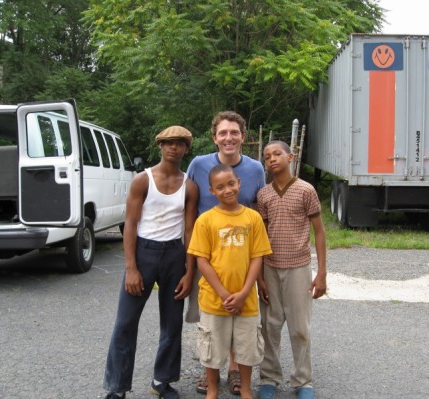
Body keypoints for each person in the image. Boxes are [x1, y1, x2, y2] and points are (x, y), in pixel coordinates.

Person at [102, 126, 198, 399]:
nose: (173, 148)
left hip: (174, 256)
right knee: (125, 323)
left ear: (186, 148)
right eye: (168, 143)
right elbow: (130, 225)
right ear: (160, 146)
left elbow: (189, 230)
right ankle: (116, 387)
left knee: (172, 323)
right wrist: (131, 268)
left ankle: (162, 381)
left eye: (179, 144)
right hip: (144, 254)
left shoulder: (189, 186)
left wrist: (189, 272)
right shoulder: (142, 181)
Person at [186, 110, 265, 395]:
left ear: (243, 137)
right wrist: (189, 263)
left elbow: (259, 211)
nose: (228, 137)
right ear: (214, 137)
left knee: (242, 324)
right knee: (210, 321)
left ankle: (235, 371)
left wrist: (258, 279)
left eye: (234, 132)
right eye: (223, 133)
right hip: (208, 256)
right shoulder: (198, 164)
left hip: (242, 258)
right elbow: (189, 208)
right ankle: (210, 376)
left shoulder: (256, 169)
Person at [256, 140, 327, 399]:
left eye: (277, 154)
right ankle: (269, 377)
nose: (272, 159)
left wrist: (321, 273)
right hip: (270, 269)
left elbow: (319, 232)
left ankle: (302, 381)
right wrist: (259, 277)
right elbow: (261, 236)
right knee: (269, 326)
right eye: (267, 156)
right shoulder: (263, 195)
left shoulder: (306, 190)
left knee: (300, 328)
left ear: (291, 156)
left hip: (298, 268)